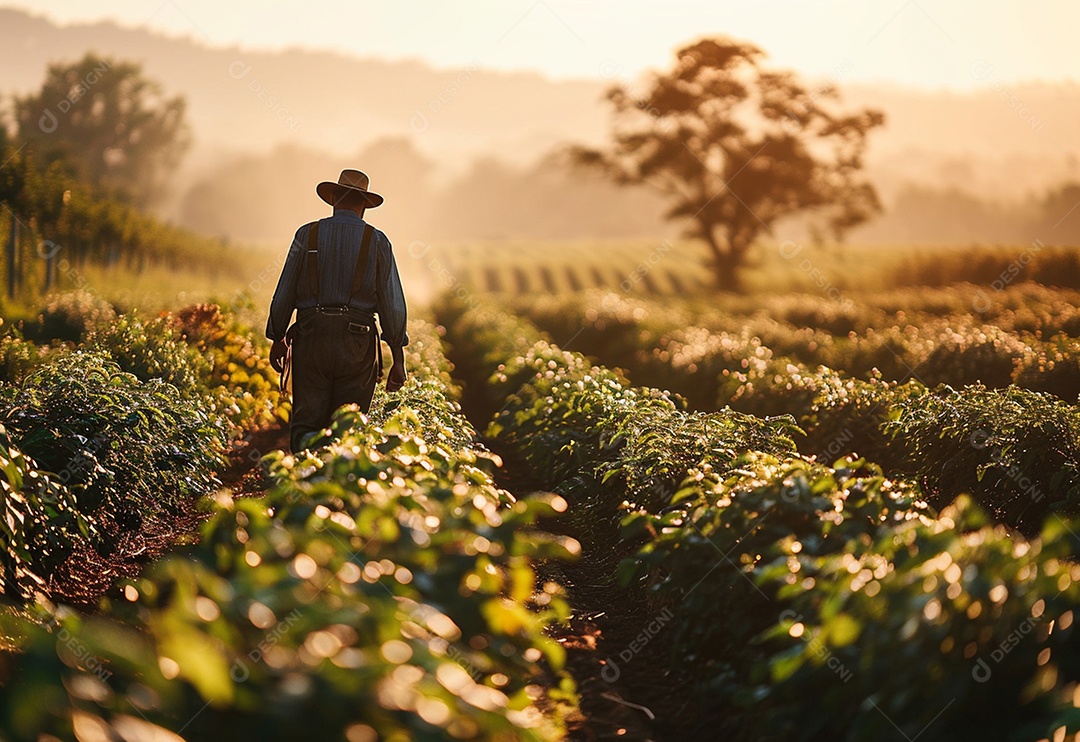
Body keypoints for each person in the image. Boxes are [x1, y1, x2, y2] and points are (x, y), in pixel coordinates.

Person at [266, 168, 408, 452]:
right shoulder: (377, 241)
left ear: (333, 200)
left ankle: (304, 483)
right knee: (348, 426)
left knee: (307, 421)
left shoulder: (307, 234)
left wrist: (278, 337)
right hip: (357, 341)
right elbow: (392, 304)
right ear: (363, 206)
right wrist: (398, 358)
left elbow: (285, 290)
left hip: (311, 336)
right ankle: (337, 489)